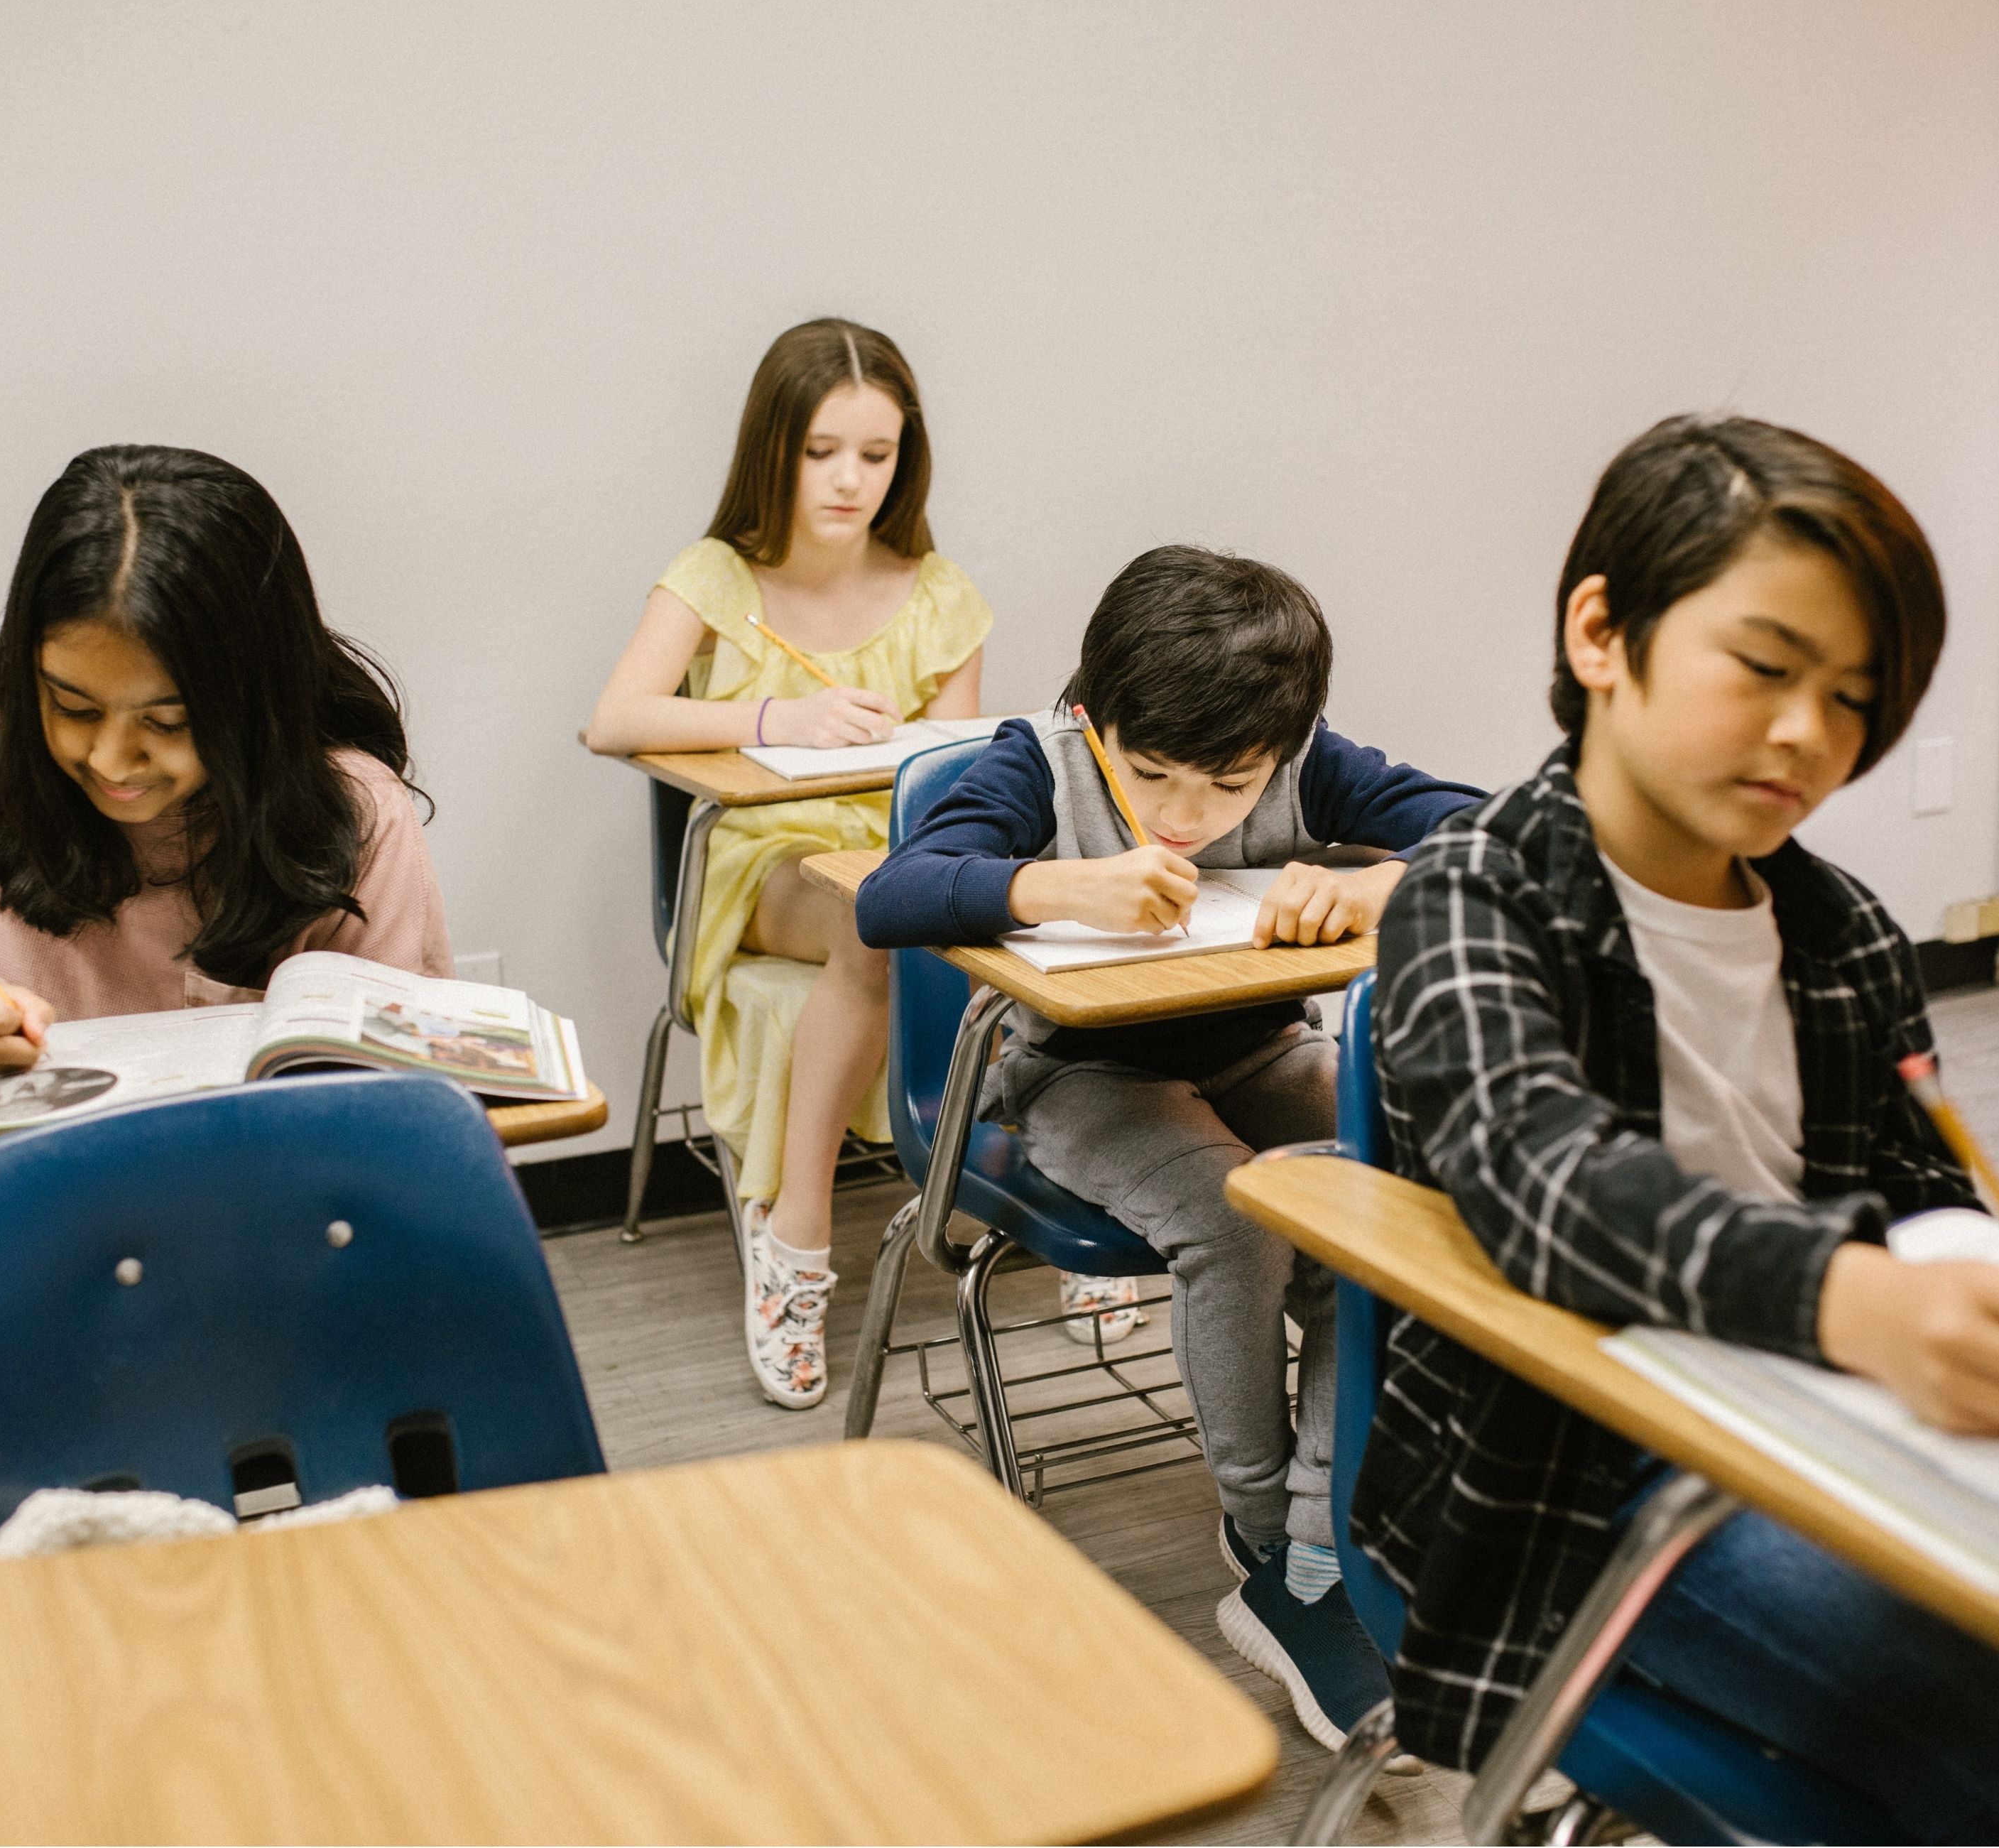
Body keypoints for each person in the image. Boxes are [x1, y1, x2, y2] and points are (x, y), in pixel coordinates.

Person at [1362, 413, 1999, 1839]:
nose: (1809, 734)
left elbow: (1924, 1197)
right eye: (1763, 668)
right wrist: (1853, 1299)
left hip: (1866, 1426)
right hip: (1591, 1477)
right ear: (1601, 632)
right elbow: (1540, 1176)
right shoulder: (1478, 889)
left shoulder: (1838, 930)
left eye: (1855, 699)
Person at [856, 543, 1481, 1751]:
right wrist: (1048, 887)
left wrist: (1382, 885)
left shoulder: (1310, 763)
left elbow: (1492, 832)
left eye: (1229, 786)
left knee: (1386, 1218)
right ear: (1096, 720)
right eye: (1150, 777)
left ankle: (1317, 1547)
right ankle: (1260, 1538)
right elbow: (893, 895)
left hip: (1253, 1054)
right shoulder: (1033, 764)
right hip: (1077, 1075)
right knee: (1233, 1219)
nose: (1184, 818)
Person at [590, 317, 1125, 1411]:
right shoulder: (716, 576)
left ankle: (1088, 1187)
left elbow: (950, 782)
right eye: (822, 451)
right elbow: (614, 719)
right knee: (870, 918)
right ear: (773, 448)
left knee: (1018, 902)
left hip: (888, 845)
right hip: (764, 862)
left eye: (875, 456)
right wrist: (779, 714)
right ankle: (796, 1237)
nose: (849, 480)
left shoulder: (939, 591)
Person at [0, 445, 450, 1086]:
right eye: (73, 708)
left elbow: (398, 1084)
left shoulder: (353, 806)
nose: (112, 760)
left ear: (257, 701)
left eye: (167, 721)